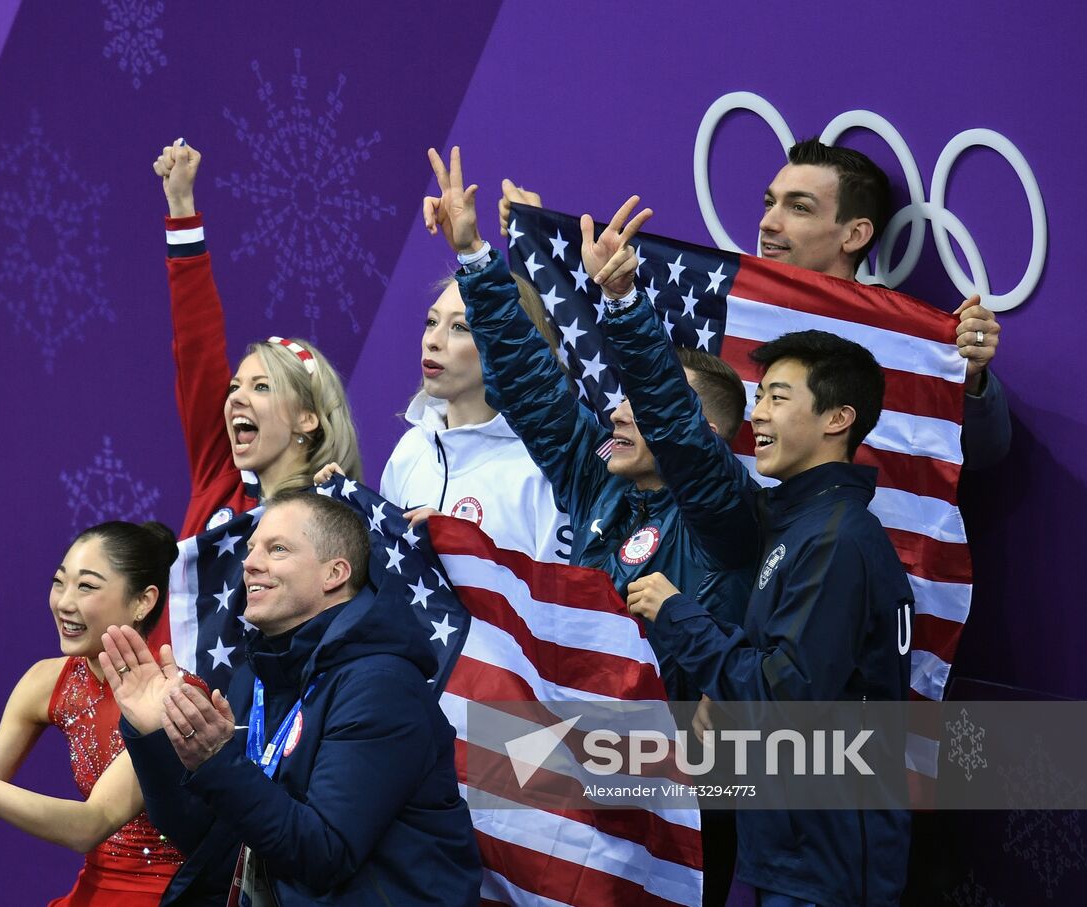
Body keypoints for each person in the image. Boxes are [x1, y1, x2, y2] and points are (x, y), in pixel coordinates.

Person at [425, 147, 756, 667]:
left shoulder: (726, 520)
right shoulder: (598, 481)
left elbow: (671, 417)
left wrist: (623, 301)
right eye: (625, 400)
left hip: (680, 741)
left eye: (642, 407)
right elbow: (530, 384)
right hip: (588, 732)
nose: (620, 413)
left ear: (706, 435)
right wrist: (473, 256)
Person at [500, 135, 1012, 468]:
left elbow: (982, 456)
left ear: (854, 234)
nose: (769, 222)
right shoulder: (715, 302)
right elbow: (614, 368)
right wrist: (546, 247)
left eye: (799, 208)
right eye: (770, 203)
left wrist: (971, 378)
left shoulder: (899, 339)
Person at [624, 328, 914, 906]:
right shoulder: (801, 524)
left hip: (821, 861)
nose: (757, 414)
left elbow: (786, 697)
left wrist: (678, 614)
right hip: (788, 847)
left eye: (778, 398)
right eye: (759, 397)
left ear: (837, 419)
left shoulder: (836, 541)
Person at [100, 491, 483, 905]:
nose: (249, 563)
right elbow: (209, 839)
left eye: (277, 549)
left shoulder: (381, 685)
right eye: (250, 550)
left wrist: (216, 761)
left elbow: (324, 853)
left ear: (334, 573)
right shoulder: (260, 674)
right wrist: (153, 736)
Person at [0, 521, 187, 906]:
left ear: (143, 601)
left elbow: (89, 826)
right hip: (92, 891)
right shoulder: (46, 680)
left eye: (87, 586)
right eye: (60, 582)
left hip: (169, 895)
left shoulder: (174, 694)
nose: (64, 602)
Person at [154, 140, 361, 541]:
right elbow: (197, 345)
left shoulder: (332, 520)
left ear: (308, 417)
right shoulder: (219, 476)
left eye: (262, 386)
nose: (235, 398)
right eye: (236, 386)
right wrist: (181, 206)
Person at [317, 270, 571, 562]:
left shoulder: (543, 468)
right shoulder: (411, 451)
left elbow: (557, 601)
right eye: (431, 322)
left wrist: (462, 549)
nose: (433, 341)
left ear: (510, 346)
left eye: (460, 327)